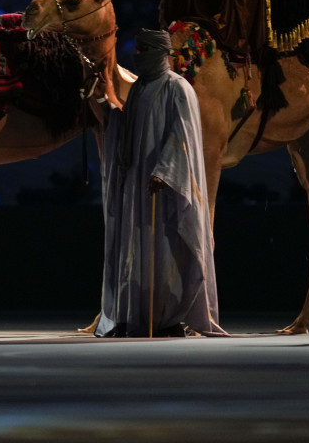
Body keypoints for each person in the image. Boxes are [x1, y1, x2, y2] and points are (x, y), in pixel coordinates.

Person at [95, 30, 225, 338]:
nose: (137, 56)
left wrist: (165, 172)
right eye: (136, 50)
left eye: (144, 50)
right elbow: (125, 128)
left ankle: (167, 317)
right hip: (136, 185)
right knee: (134, 249)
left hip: (163, 189)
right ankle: (135, 316)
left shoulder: (177, 88)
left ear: (159, 52)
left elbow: (182, 136)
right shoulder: (140, 88)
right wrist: (106, 101)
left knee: (164, 251)